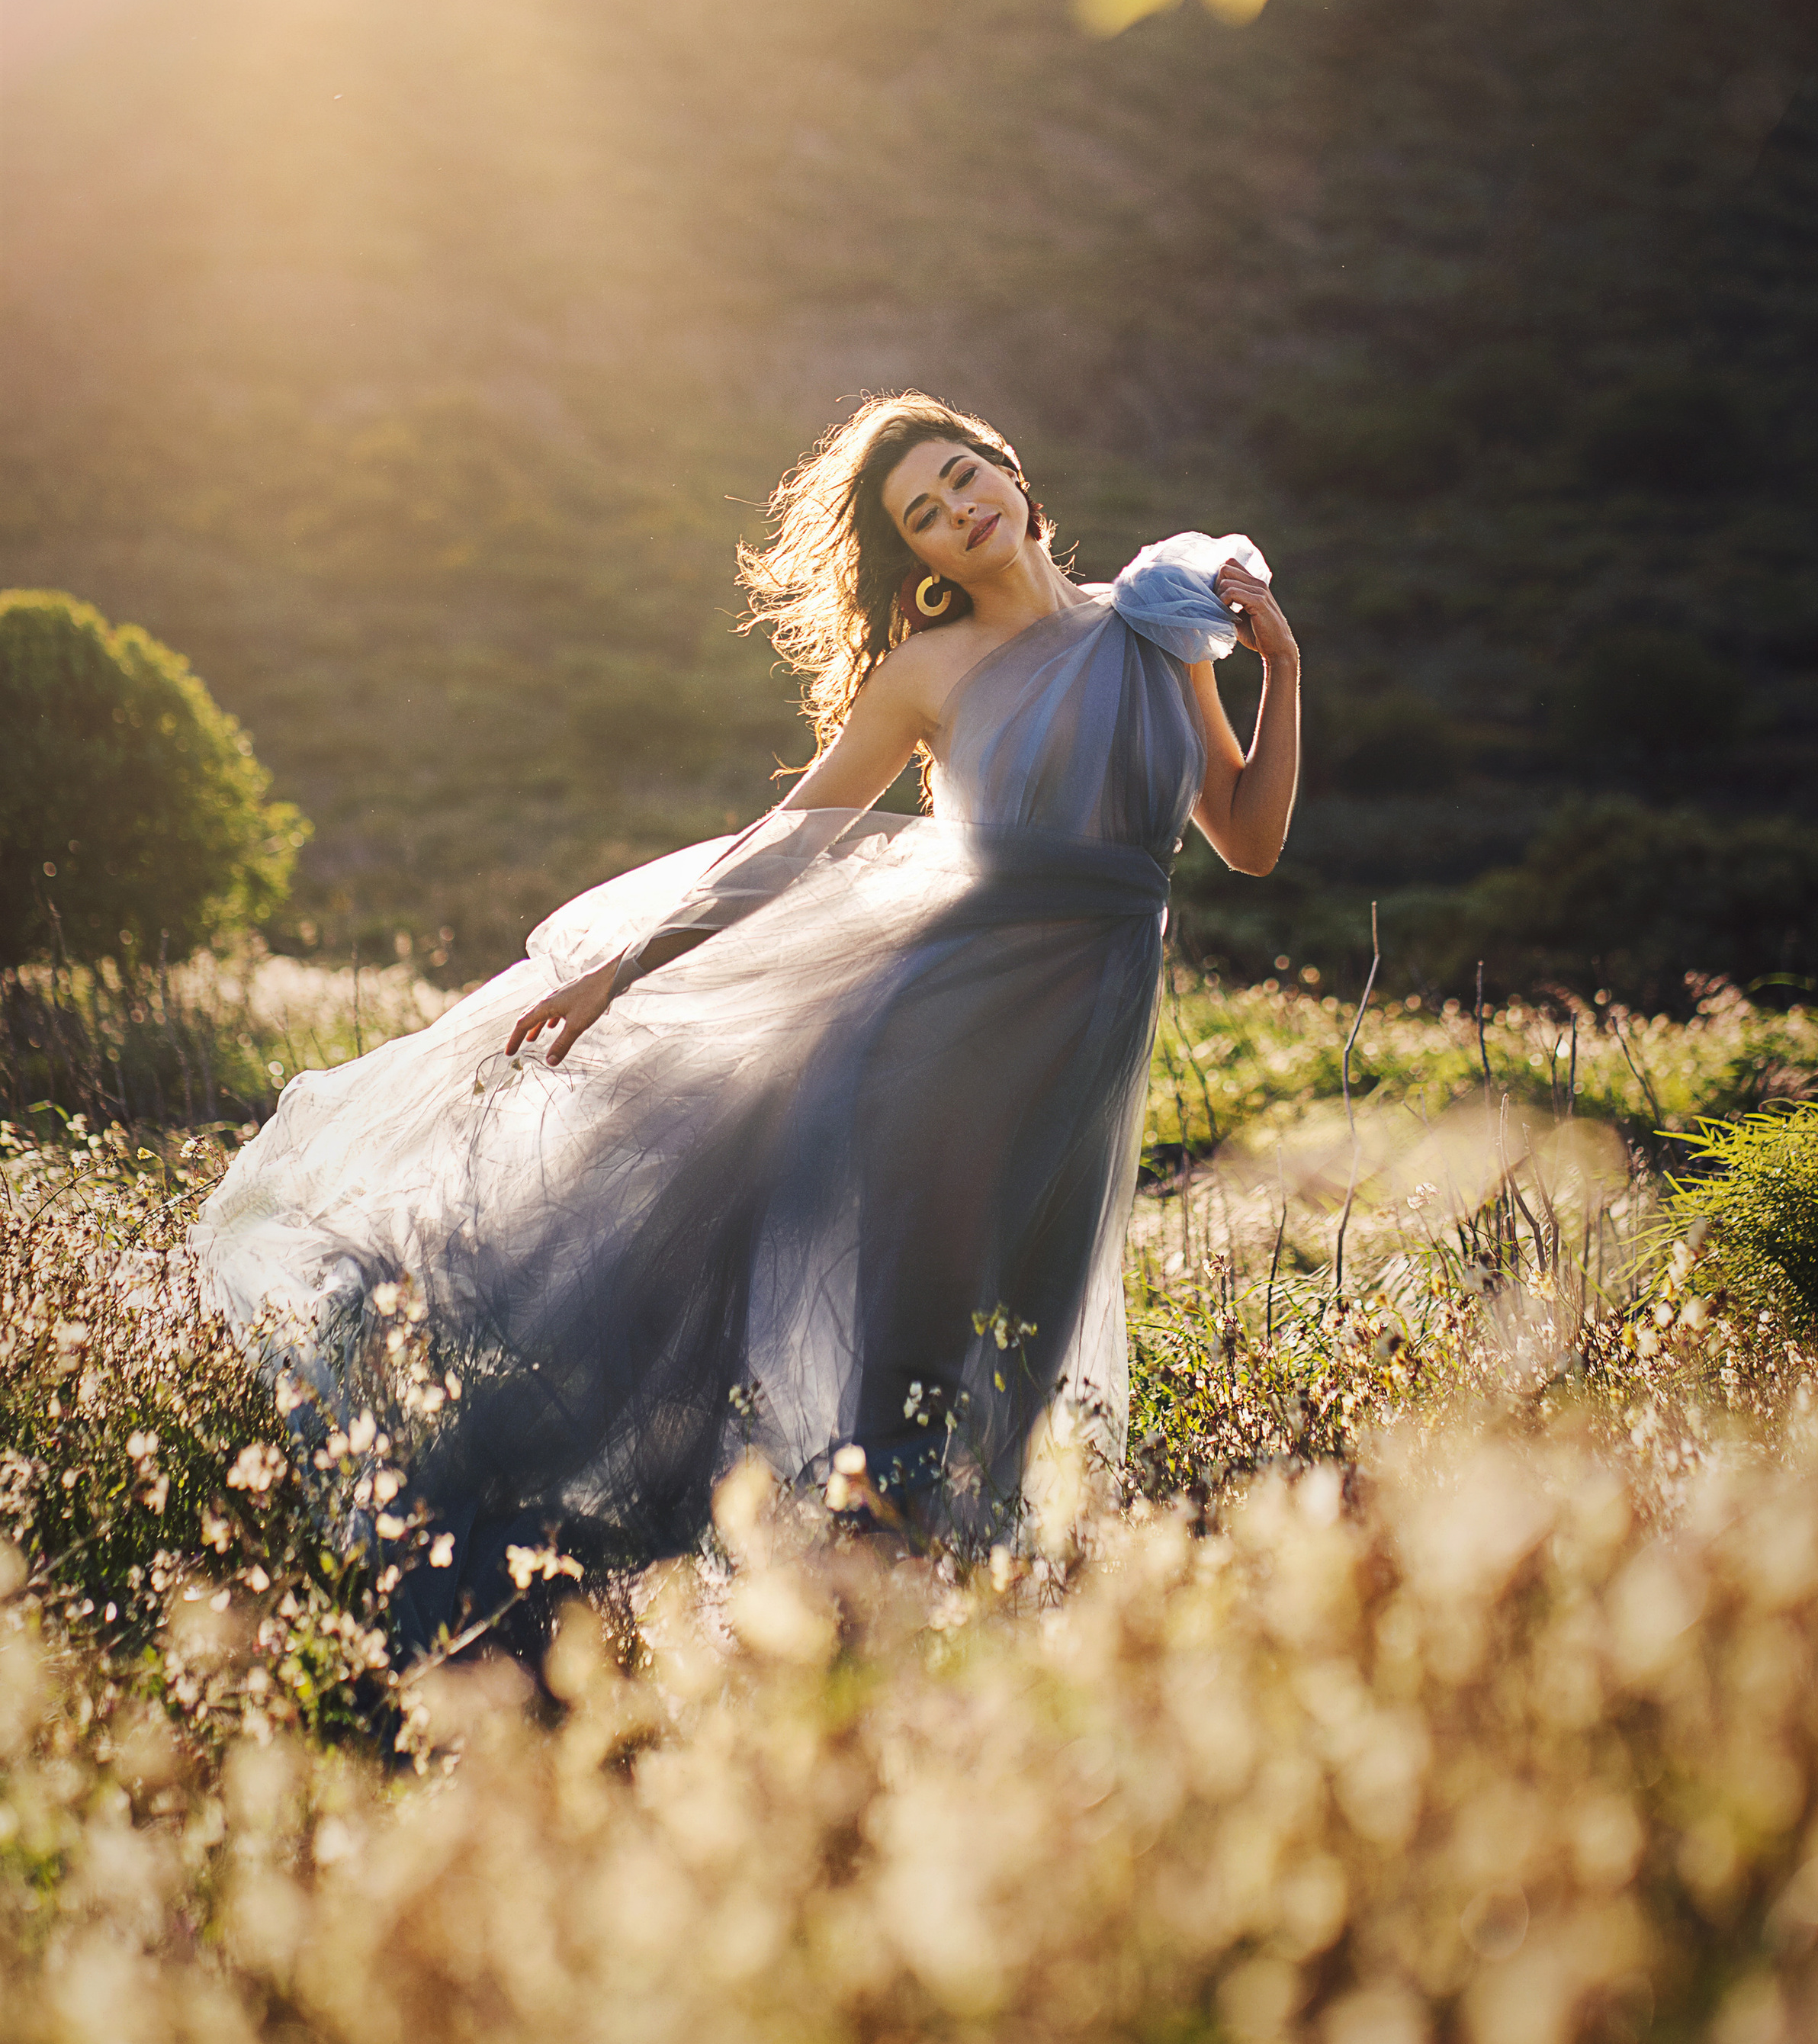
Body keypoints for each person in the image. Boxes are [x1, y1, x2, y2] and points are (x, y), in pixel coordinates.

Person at [194, 392, 1298, 1630]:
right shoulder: (929, 671)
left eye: (959, 479)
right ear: (918, 561)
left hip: (1084, 1048)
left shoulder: (1160, 624)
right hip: (941, 1043)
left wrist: (1284, 670)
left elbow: (1248, 839)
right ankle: (818, 1651)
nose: (956, 514)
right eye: (923, 518)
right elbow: (790, 845)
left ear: (1010, 468)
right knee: (919, 1370)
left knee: (1019, 1369)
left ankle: (922, 1653)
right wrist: (629, 965)